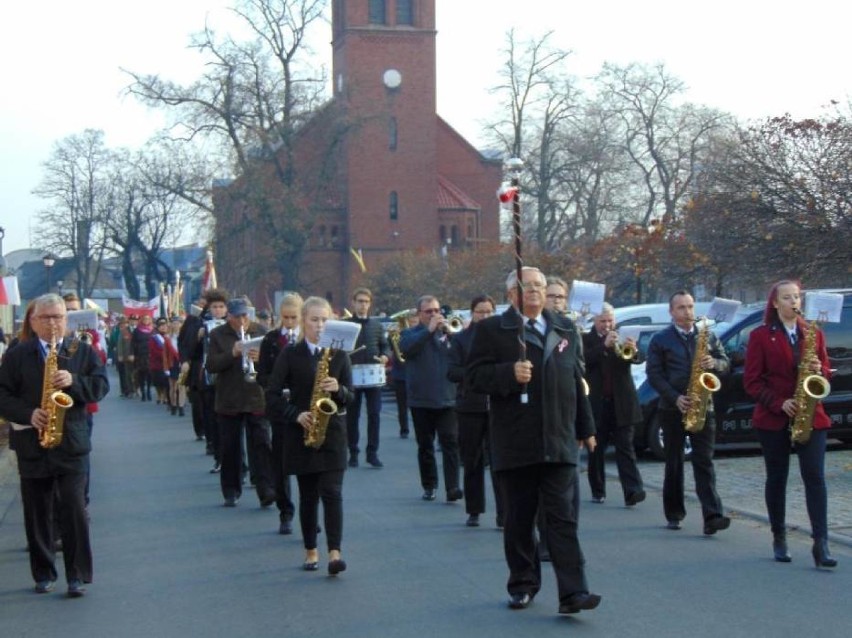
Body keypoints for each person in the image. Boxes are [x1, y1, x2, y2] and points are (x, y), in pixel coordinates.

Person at [467, 267, 601, 616]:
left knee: (562, 518)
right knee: (520, 518)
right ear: (512, 294)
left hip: (559, 438)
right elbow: (473, 377)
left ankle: (574, 591)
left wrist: (586, 427)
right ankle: (522, 584)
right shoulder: (492, 330)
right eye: (529, 287)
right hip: (516, 439)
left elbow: (576, 380)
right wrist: (507, 374)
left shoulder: (565, 327)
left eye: (542, 286)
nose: (538, 293)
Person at [0, 293, 109, 597]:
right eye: (46, 318)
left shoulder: (81, 351)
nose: (53, 324)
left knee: (74, 509)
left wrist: (73, 380)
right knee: (37, 512)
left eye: (58, 317)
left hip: (71, 442)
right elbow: (2, 395)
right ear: (33, 322)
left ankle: (77, 575)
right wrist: (27, 413)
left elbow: (101, 387)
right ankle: (43, 572)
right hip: (32, 444)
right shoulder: (17, 355)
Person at [743, 280, 837, 568]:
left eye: (797, 297)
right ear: (775, 303)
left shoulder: (813, 333)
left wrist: (819, 370)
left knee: (815, 478)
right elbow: (751, 381)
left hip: (811, 415)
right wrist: (778, 402)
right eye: (787, 298)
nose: (794, 302)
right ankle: (779, 536)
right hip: (774, 417)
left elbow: (825, 374)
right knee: (777, 477)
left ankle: (821, 543)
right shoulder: (761, 335)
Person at [265, 296, 353, 575]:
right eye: (314, 320)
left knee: (333, 493)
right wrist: (295, 415)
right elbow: (272, 395)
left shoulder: (339, 355)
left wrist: (338, 389)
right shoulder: (291, 354)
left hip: (334, 434)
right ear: (303, 321)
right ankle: (311, 550)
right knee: (308, 496)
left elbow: (350, 398)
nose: (319, 325)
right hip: (302, 433)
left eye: (324, 320)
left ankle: (335, 553)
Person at [646, 290, 731, 534]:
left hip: (704, 406)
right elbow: (654, 375)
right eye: (682, 308)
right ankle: (674, 513)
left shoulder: (708, 336)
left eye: (691, 306)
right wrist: (675, 398)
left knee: (704, 462)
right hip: (672, 409)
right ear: (671, 312)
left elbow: (725, 363)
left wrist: (714, 363)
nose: (688, 312)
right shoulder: (660, 339)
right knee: (674, 462)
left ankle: (712, 515)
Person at [206, 299, 275, 508]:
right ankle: (231, 490)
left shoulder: (262, 331)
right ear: (229, 316)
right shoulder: (217, 335)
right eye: (237, 317)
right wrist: (232, 353)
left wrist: (262, 357)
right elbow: (211, 365)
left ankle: (266, 490)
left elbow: (277, 361)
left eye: (245, 315)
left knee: (262, 445)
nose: (242, 320)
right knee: (230, 447)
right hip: (229, 399)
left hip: (256, 396)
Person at [582, 303, 646, 506]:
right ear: (594, 321)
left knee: (626, 448)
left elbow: (637, 359)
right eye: (603, 321)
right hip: (597, 404)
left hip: (622, 403)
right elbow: (583, 361)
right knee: (597, 450)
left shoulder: (621, 337)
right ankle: (598, 490)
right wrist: (603, 346)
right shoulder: (585, 339)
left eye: (610, 320)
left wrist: (633, 349)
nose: (607, 325)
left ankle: (633, 491)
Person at [399, 295, 462, 502]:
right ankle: (430, 485)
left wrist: (453, 334)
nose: (435, 315)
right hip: (421, 399)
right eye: (429, 311)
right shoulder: (409, 333)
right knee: (425, 445)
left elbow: (464, 353)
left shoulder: (448, 333)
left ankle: (452, 487)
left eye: (437, 311)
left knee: (450, 444)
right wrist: (428, 331)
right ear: (419, 314)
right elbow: (407, 350)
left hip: (447, 398)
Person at [447, 294, 503, 528]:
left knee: (500, 462)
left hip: (498, 405)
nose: (485, 315)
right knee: (472, 460)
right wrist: (477, 375)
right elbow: (452, 372)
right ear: (472, 313)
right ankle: (474, 510)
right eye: (480, 311)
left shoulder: (502, 337)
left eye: (489, 311)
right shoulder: (461, 339)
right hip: (470, 405)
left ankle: (504, 512)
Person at [257, 292, 303, 535]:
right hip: (280, 408)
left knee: (308, 464)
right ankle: (285, 511)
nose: (289, 322)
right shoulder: (271, 340)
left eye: (294, 317)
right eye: (285, 317)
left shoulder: (308, 339)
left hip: (304, 407)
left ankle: (309, 515)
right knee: (282, 462)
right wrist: (276, 386)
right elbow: (262, 373)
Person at [344, 287, 390, 468]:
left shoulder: (377, 326)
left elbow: (385, 346)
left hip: (373, 376)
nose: (363, 305)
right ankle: (353, 452)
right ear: (353, 303)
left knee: (374, 415)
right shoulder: (346, 324)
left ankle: (372, 453)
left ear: (370, 304)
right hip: (351, 376)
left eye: (366, 302)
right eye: (360, 301)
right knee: (352, 417)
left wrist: (386, 356)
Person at [388, 309, 418, 438]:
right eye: (410, 321)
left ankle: (419, 429)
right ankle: (404, 429)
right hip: (400, 374)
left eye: (414, 321)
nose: (412, 323)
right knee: (402, 405)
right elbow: (392, 347)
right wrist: (392, 336)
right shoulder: (399, 334)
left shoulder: (420, 335)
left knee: (417, 405)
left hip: (416, 374)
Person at [130, 314, 154, 401]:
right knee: (141, 374)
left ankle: (148, 391)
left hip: (150, 355)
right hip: (140, 355)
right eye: (144, 319)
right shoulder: (137, 330)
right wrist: (132, 354)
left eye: (148, 319)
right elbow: (132, 343)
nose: (146, 320)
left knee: (149, 374)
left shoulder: (152, 330)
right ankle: (143, 392)